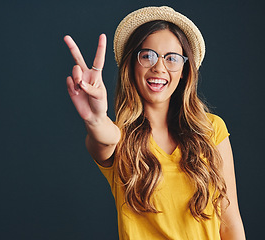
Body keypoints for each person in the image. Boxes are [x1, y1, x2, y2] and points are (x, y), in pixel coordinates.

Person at [64, 6, 246, 240]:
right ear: (131, 64)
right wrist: (96, 118)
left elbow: (230, 224)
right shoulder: (120, 137)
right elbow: (103, 137)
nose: (159, 67)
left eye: (172, 58)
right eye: (148, 55)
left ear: (183, 70)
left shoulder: (212, 129)